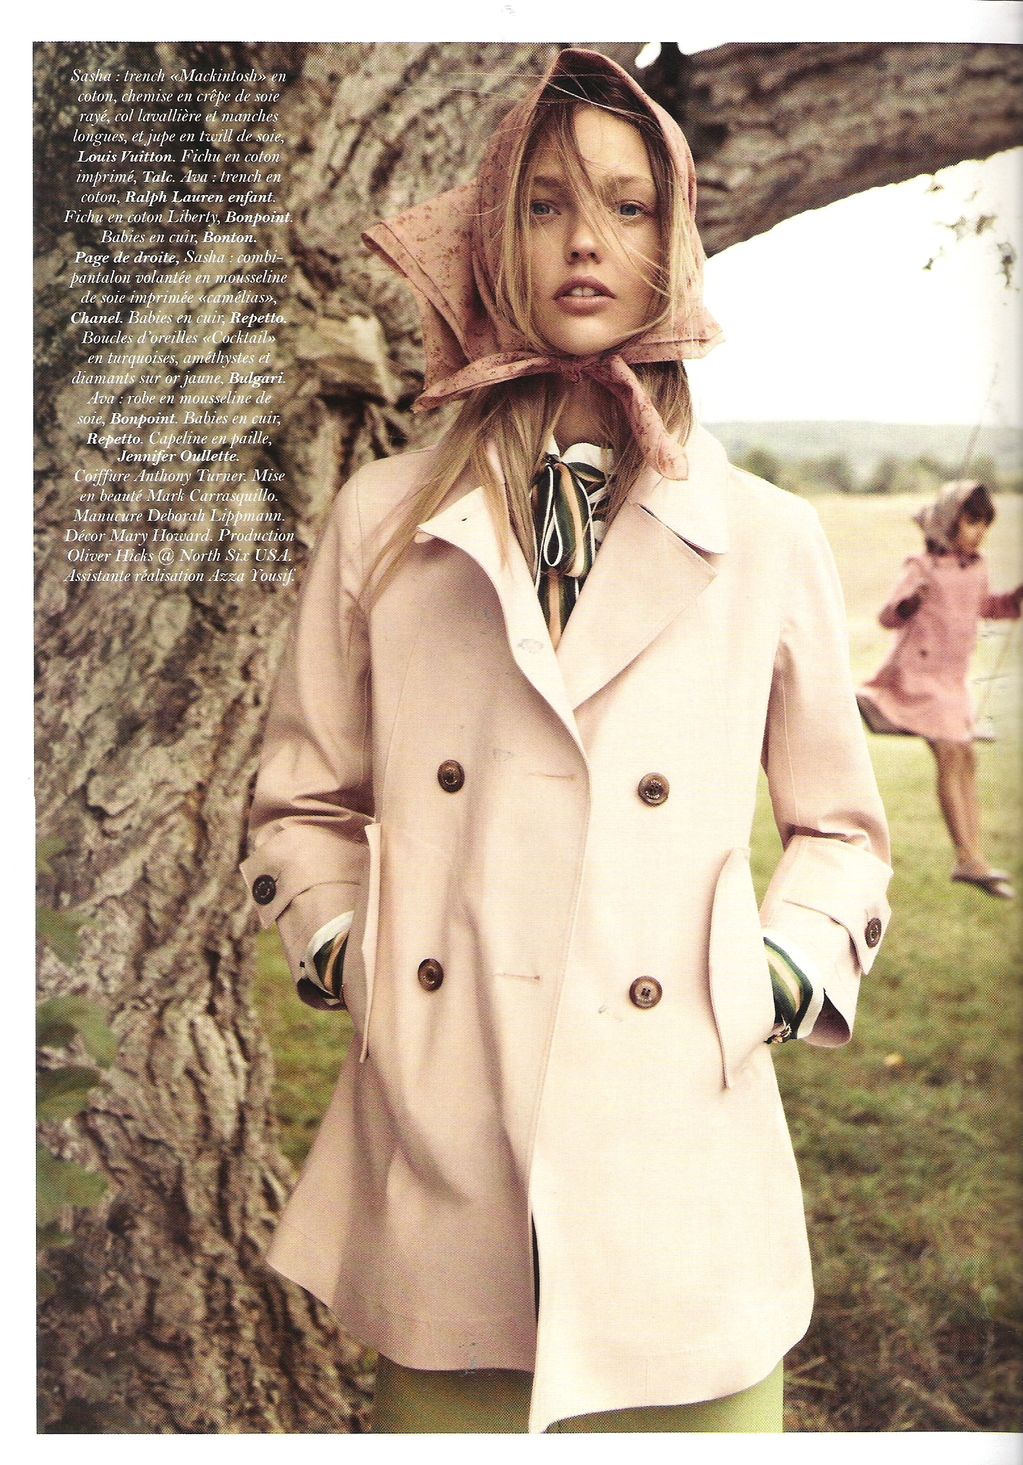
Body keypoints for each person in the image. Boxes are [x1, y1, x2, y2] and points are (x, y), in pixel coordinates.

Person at [241, 48, 892, 1434]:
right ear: (493, 238)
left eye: (625, 205)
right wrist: (359, 955)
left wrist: (773, 974)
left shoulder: (764, 534)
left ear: (674, 244)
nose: (585, 240)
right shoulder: (383, 521)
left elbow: (839, 829)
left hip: (678, 1145)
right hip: (444, 1140)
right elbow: (300, 801)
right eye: (544, 205)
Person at [858, 479, 1022, 900]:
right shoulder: (922, 567)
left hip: (950, 683)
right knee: (950, 753)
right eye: (972, 522)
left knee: (966, 759)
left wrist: (1014, 601)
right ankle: (967, 857)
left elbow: (985, 607)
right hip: (916, 677)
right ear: (949, 521)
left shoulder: (977, 568)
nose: (979, 532)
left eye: (985, 524)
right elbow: (887, 618)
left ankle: (974, 857)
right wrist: (910, 603)